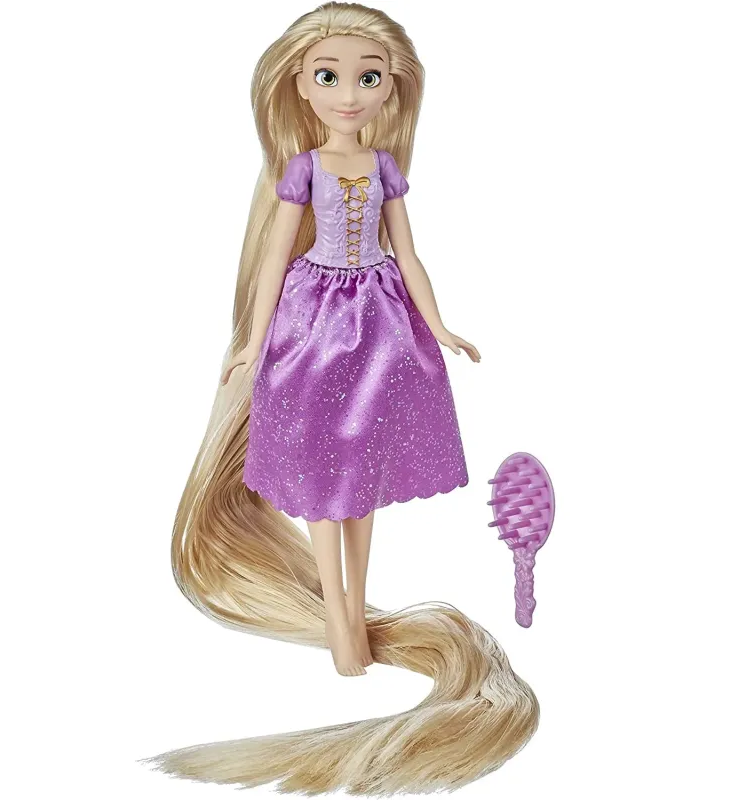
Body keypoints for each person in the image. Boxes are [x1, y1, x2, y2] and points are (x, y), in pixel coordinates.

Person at [142, 3, 538, 793]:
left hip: (381, 322)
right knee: (327, 482)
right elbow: (272, 261)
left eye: (368, 77)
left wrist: (440, 326)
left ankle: (353, 614)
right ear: (299, 84)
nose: (349, 94)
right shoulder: (303, 170)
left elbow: (409, 254)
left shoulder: (384, 166)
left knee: (365, 481)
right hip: (313, 324)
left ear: (392, 87)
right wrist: (251, 342)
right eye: (329, 77)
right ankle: (339, 622)